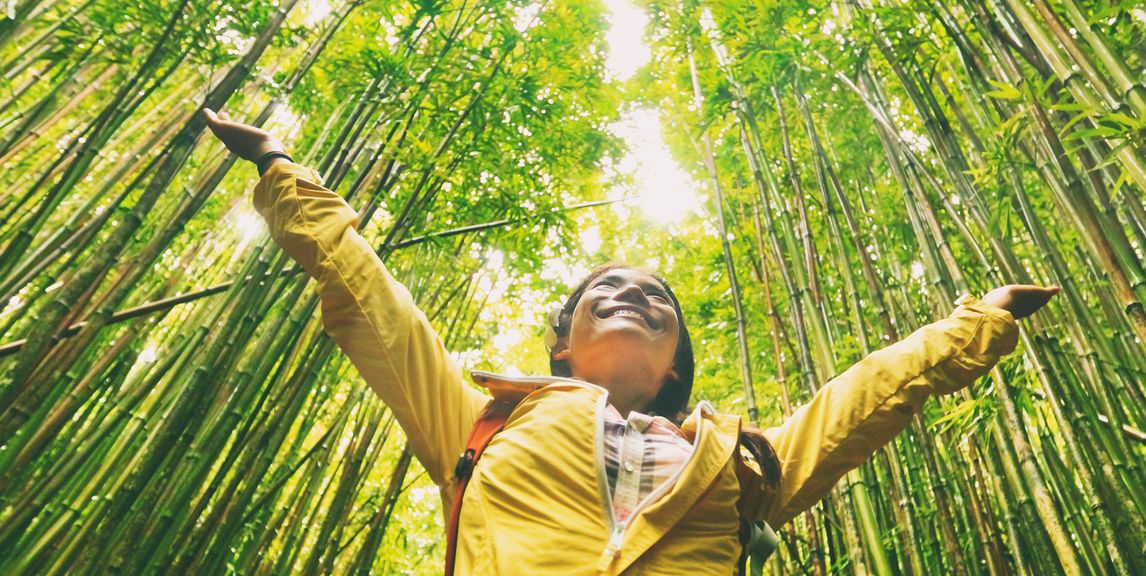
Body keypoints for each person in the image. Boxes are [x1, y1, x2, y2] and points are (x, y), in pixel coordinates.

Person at [202, 108, 1058, 574]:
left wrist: (981, 320)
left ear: (677, 359)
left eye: (655, 296)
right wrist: (282, 169)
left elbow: (865, 395)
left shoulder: (744, 463)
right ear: (561, 346)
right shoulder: (477, 421)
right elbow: (369, 298)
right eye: (601, 292)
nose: (630, 295)